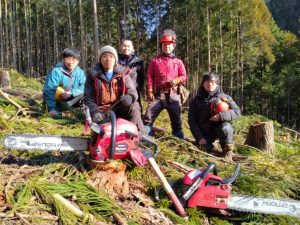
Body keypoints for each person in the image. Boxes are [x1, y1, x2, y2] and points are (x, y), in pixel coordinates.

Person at [84, 45, 145, 134]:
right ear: (100, 59)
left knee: (134, 106)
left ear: (115, 59)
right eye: (104, 56)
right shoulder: (92, 76)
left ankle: (139, 135)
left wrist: (130, 97)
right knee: (106, 133)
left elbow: (133, 92)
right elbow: (88, 98)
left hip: (121, 109)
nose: (108, 59)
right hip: (102, 112)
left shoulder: (123, 74)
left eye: (111, 56)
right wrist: (95, 112)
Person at [143, 29, 187, 139]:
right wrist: (150, 91)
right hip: (158, 95)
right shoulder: (155, 61)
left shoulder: (178, 62)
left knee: (177, 120)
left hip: (173, 95)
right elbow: (149, 77)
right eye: (164, 45)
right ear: (161, 46)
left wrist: (176, 81)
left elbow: (184, 76)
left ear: (173, 46)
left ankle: (178, 139)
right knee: (148, 116)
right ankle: (146, 137)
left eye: (169, 45)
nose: (167, 47)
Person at [188, 72, 241, 160]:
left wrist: (221, 116)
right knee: (206, 151)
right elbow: (192, 121)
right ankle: (211, 147)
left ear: (217, 83)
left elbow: (237, 111)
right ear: (203, 83)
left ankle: (227, 151)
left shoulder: (225, 97)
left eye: (212, 81)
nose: (209, 84)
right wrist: (199, 138)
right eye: (207, 81)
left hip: (219, 129)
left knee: (226, 128)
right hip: (204, 132)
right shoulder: (195, 101)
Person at [43, 48, 86, 117]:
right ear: (63, 59)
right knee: (58, 116)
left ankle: (84, 114)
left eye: (74, 60)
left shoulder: (79, 72)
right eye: (68, 59)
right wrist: (51, 108)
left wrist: (71, 93)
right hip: (57, 101)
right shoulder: (56, 71)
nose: (71, 62)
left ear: (78, 61)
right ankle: (58, 111)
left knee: (87, 96)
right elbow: (49, 90)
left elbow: (84, 87)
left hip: (71, 99)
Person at [118, 39, 144, 112]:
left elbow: (141, 78)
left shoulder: (138, 62)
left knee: (136, 109)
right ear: (120, 47)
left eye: (128, 46)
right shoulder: (115, 59)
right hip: (118, 90)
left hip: (134, 90)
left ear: (132, 48)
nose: (126, 48)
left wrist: (137, 88)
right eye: (124, 46)